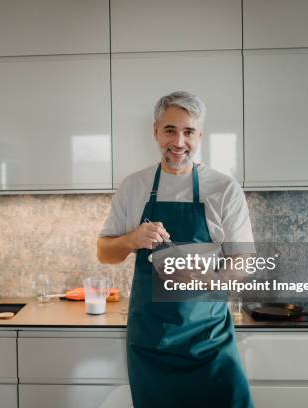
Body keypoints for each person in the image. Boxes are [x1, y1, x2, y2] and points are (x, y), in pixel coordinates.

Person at [97, 91, 255, 408]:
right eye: (170, 130)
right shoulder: (133, 187)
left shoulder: (224, 188)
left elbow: (244, 262)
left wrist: (208, 279)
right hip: (152, 343)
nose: (178, 141)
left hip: (209, 341)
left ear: (200, 135)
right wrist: (131, 239)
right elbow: (105, 252)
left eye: (188, 131)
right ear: (156, 131)